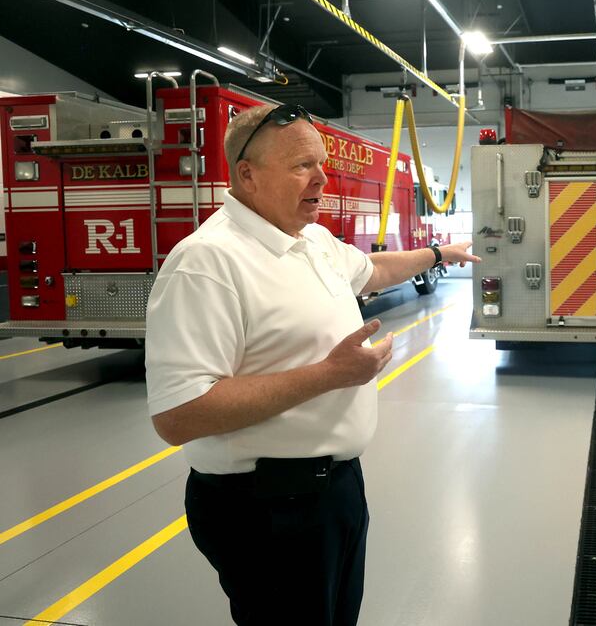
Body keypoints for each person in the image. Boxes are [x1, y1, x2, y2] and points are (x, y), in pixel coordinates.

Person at [145, 102, 479, 626]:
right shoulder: (207, 263)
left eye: (322, 163)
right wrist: (332, 375)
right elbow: (179, 414)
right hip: (266, 511)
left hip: (333, 491)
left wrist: (439, 254)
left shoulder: (311, 241)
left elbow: (373, 269)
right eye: (302, 165)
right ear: (247, 174)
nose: (323, 178)